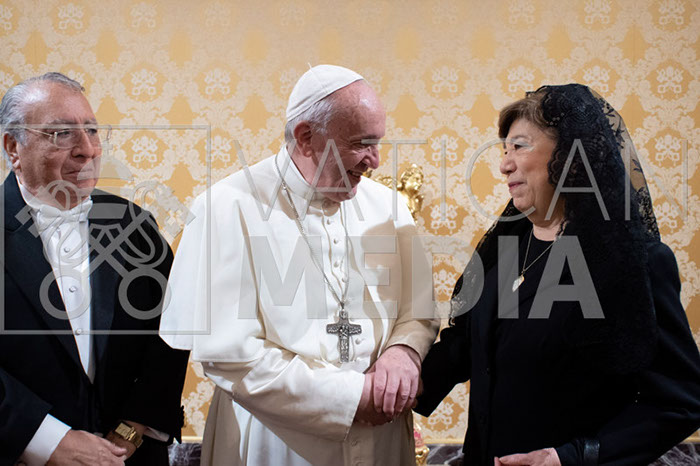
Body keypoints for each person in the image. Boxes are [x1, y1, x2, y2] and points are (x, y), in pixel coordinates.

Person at [160, 64, 438, 465]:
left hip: (382, 441)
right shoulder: (225, 207)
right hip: (275, 443)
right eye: (361, 144)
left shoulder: (388, 207)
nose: (375, 161)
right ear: (307, 137)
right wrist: (350, 397)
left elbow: (419, 312)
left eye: (377, 143)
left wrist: (403, 352)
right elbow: (229, 354)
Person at [415, 84, 700, 465]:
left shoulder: (634, 262)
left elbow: (680, 401)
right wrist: (398, 382)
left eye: (519, 147)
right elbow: (466, 344)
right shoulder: (505, 250)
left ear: (571, 158)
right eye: (504, 151)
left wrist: (571, 458)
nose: (504, 165)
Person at [0, 72, 190, 466]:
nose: (87, 150)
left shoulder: (134, 224)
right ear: (13, 147)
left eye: (91, 131)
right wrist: (48, 441)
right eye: (62, 134)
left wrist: (128, 434)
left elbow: (170, 337)